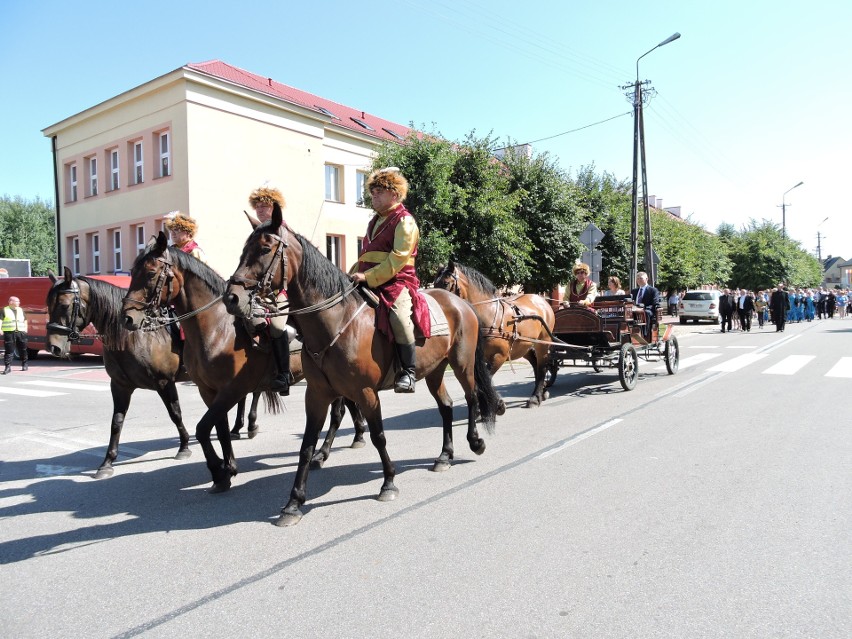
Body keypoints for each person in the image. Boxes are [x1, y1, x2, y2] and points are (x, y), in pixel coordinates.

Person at [350, 167, 430, 393]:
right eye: (373, 192)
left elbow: (398, 259)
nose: (373, 196)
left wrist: (368, 276)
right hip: (367, 277)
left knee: (399, 317)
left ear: (394, 194)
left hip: (397, 280)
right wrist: (352, 274)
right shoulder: (374, 221)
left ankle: (408, 372)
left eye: (379, 192)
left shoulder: (405, 221)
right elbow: (367, 255)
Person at [246, 185, 292, 395]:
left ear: (275, 208)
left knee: (275, 326)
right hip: (258, 293)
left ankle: (283, 374)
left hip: (281, 292)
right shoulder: (256, 233)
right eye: (257, 207)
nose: (261, 210)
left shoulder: (284, 232)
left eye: (265, 206)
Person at [2, 295, 28, 375]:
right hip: (9, 332)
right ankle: (8, 367)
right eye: (17, 301)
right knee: (9, 350)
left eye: (19, 301)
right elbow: (0, 320)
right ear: (11, 302)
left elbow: (25, 320)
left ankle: (24, 364)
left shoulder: (21, 310)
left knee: (23, 349)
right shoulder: (4, 310)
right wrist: (0, 329)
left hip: (20, 332)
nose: (19, 303)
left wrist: (25, 329)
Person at [630, 271, 659, 340]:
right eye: (637, 279)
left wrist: (642, 308)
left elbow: (655, 303)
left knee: (646, 312)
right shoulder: (634, 291)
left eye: (641, 278)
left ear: (646, 279)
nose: (639, 280)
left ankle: (645, 334)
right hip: (634, 310)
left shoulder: (653, 290)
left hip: (647, 310)